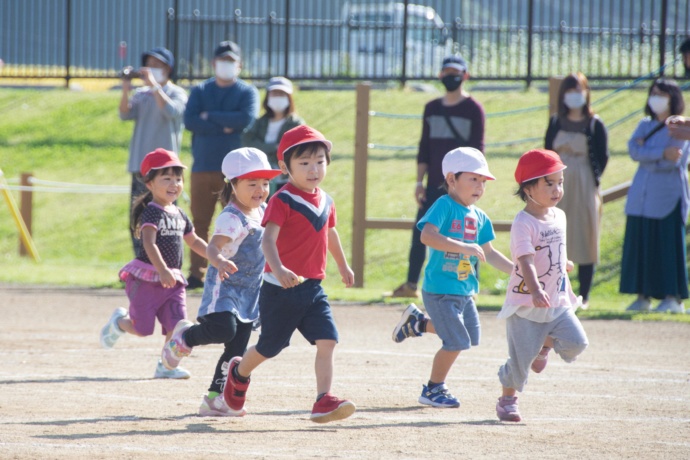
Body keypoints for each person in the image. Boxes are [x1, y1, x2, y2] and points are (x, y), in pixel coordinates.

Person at [222, 125, 357, 424]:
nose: (313, 169)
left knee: (328, 340)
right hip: (279, 290)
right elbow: (267, 240)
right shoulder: (283, 200)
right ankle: (238, 372)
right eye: (304, 163)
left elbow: (329, 233)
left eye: (320, 161)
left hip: (313, 289)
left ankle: (323, 400)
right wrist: (279, 268)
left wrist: (343, 265)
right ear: (285, 167)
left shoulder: (327, 200)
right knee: (271, 347)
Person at [160, 147, 281, 416]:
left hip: (250, 292)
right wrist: (219, 262)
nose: (260, 189)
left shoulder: (263, 211)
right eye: (252, 183)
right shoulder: (231, 216)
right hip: (225, 287)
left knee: (237, 352)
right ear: (233, 184)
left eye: (265, 183)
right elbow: (213, 247)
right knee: (223, 330)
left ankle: (216, 398)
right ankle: (185, 337)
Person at [390, 147, 513, 408]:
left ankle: (419, 323)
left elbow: (489, 253)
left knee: (470, 335)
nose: (480, 186)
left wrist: (518, 270)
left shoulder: (480, 217)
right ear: (451, 180)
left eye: (483, 181)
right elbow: (427, 236)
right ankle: (433, 389)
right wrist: (463, 247)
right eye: (473, 179)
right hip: (439, 289)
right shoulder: (444, 205)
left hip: (465, 290)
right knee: (457, 340)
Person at [495, 149, 588, 422]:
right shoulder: (523, 222)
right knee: (520, 364)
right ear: (528, 188)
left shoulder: (559, 216)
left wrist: (564, 262)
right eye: (549, 183)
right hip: (527, 304)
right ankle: (507, 400)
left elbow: (553, 250)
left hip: (558, 299)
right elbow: (525, 260)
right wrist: (535, 290)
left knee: (576, 342)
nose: (557, 189)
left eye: (560, 182)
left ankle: (545, 346)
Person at [99, 149, 208, 379]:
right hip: (147, 279)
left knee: (177, 326)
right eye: (166, 178)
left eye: (178, 179)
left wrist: (217, 257)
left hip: (173, 281)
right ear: (149, 184)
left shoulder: (179, 213)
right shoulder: (152, 212)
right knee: (141, 329)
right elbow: (149, 243)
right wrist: (162, 269)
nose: (174, 184)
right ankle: (119, 322)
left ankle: (166, 365)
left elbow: (194, 241)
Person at [392, 55, 486, 298]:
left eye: (456, 72)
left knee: (467, 233)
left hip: (461, 186)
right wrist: (418, 181)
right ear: (440, 76)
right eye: (447, 72)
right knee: (420, 233)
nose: (451, 77)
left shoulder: (474, 109)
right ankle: (411, 284)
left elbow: (478, 151)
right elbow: (424, 147)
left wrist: (474, 183)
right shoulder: (431, 108)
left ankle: (469, 286)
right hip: (434, 183)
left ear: (465, 76)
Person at [184, 40, 260, 290]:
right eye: (222, 60)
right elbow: (191, 121)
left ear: (239, 65)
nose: (226, 65)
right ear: (214, 63)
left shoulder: (247, 92)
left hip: (236, 174)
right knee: (200, 222)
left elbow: (244, 119)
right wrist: (224, 123)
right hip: (203, 166)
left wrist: (210, 116)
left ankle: (239, 271)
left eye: (231, 61)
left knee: (239, 221)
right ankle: (197, 274)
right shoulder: (200, 91)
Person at [621, 78, 689, 314]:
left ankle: (672, 296)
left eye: (662, 94)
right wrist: (661, 153)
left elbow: (675, 159)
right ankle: (643, 296)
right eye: (654, 93)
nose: (656, 98)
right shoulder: (644, 125)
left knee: (667, 246)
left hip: (667, 196)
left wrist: (648, 153)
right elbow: (633, 150)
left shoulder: (680, 127)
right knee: (643, 245)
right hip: (641, 197)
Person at [544, 72, 608, 308]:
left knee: (585, 235)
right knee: (555, 235)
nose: (574, 96)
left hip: (584, 183)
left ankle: (584, 295)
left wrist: (587, 175)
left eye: (578, 90)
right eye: (570, 91)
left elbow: (602, 156)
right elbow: (547, 152)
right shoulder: (555, 122)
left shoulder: (595, 123)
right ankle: (556, 290)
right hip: (557, 183)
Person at [119, 47, 188, 256]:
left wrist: (155, 86)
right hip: (141, 165)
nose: (152, 70)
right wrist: (125, 87)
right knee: (138, 215)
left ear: (168, 68)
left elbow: (171, 112)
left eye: (157, 65)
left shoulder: (176, 92)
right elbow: (124, 114)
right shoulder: (141, 94)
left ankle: (167, 259)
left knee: (167, 217)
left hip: (167, 169)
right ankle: (140, 261)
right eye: (149, 65)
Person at [242, 76, 305, 196]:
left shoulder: (296, 123)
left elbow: (290, 148)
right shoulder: (260, 121)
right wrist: (273, 147)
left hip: (285, 179)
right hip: (260, 177)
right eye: (274, 93)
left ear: (289, 98)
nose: (277, 97)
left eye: (281, 94)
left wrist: (266, 148)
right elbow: (247, 141)